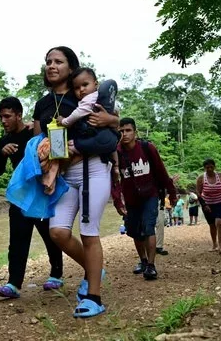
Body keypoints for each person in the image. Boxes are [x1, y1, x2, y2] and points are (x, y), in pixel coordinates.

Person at [33, 46, 119, 318]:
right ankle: (94, 269)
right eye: (48, 61)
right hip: (64, 177)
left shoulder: (85, 95)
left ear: (71, 68)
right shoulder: (43, 104)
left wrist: (112, 121)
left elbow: (110, 135)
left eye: (58, 61)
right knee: (57, 232)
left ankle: (94, 296)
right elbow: (38, 141)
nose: (51, 65)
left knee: (88, 232)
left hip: (92, 171)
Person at [0, 97, 64, 298]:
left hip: (41, 193)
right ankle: (13, 284)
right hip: (21, 197)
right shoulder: (4, 140)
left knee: (50, 236)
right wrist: (2, 155)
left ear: (18, 115)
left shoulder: (34, 132)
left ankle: (56, 275)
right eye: (1, 117)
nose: (3, 121)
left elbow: (55, 144)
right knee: (17, 240)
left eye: (7, 116)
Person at [113, 118, 177, 281]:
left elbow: (161, 172)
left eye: (128, 130)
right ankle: (142, 260)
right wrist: (117, 201)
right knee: (134, 230)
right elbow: (114, 180)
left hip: (150, 195)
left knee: (148, 227)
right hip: (131, 198)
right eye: (121, 131)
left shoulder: (147, 148)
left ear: (135, 132)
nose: (124, 134)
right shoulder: (116, 152)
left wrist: (172, 192)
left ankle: (151, 265)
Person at [196, 159, 221, 254]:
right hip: (208, 204)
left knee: (220, 223)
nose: (209, 169)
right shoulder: (201, 178)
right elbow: (198, 193)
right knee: (212, 225)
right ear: (204, 168)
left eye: (211, 167)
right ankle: (214, 244)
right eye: (207, 167)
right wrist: (204, 205)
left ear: (214, 167)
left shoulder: (220, 176)